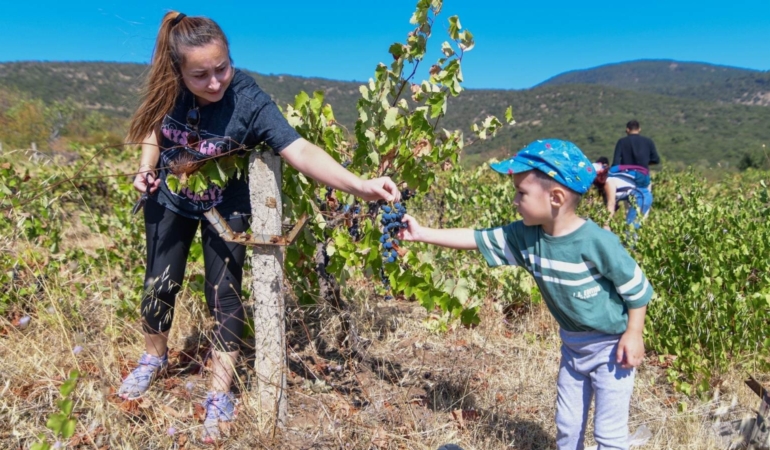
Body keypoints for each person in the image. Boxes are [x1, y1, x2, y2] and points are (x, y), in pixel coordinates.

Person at [118, 11, 400, 443]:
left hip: (224, 204)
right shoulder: (167, 87)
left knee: (224, 294)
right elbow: (154, 130)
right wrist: (146, 168)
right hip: (171, 199)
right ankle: (153, 359)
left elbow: (299, 148)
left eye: (222, 68)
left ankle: (219, 393)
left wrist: (359, 185)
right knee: (159, 283)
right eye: (200, 75)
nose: (215, 83)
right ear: (178, 71)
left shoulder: (248, 99)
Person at [399, 139, 653, 450]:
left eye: (521, 193)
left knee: (608, 433)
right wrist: (420, 232)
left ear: (556, 197)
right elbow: (476, 239)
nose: (515, 201)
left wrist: (634, 333)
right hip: (573, 349)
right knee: (568, 426)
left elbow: (637, 288)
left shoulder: (597, 242)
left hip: (612, 348)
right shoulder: (526, 237)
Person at [594, 155, 652, 229]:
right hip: (639, 198)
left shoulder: (608, 182)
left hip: (641, 197)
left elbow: (611, 204)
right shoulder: (607, 183)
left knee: (630, 232)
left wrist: (606, 225)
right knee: (630, 230)